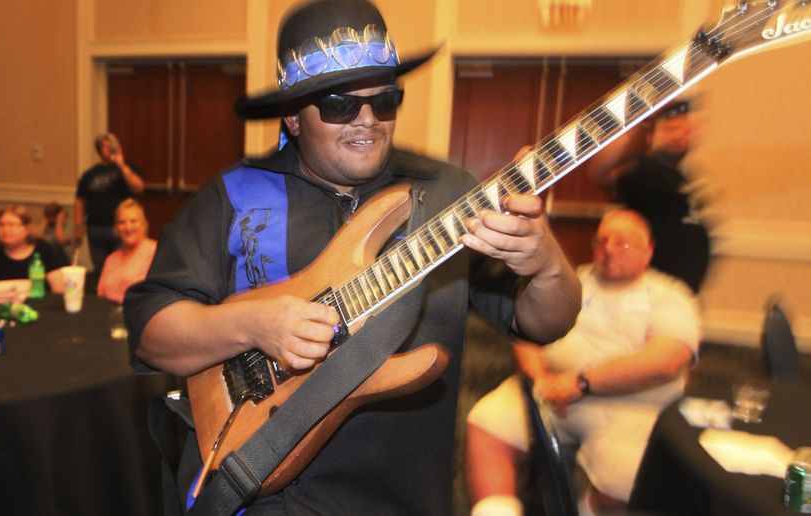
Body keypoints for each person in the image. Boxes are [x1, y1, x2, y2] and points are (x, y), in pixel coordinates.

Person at [124, 0, 582, 514]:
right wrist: (252, 324)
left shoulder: (447, 193)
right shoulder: (234, 196)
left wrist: (545, 263)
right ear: (294, 118)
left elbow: (542, 324)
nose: (368, 120)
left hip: (407, 497)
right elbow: (150, 333)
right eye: (341, 104)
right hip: (264, 492)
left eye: (385, 100)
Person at [465, 210, 699, 516]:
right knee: (486, 425)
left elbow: (667, 361)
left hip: (630, 406)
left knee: (622, 485)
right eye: (602, 241)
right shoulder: (570, 280)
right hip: (547, 390)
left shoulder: (669, 295)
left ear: (649, 249)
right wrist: (539, 380)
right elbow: (524, 329)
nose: (610, 249)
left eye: (623, 243)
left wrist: (581, 383)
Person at [588, 100, 711, 292]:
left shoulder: (682, 175)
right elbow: (598, 172)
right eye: (671, 129)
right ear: (650, 136)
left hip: (678, 290)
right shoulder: (643, 168)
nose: (680, 136)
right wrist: (632, 127)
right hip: (648, 290)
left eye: (686, 130)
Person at [74, 132, 145, 276]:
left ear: (117, 147)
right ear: (98, 149)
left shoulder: (127, 169)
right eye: (103, 146)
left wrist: (121, 165)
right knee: (102, 272)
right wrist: (78, 226)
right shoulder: (89, 174)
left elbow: (139, 188)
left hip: (122, 229)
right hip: (96, 228)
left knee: (123, 269)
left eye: (110, 145)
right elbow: (80, 201)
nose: (106, 148)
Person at [0, 204, 64, 293]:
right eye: (1, 225)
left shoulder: (43, 249)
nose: (5, 230)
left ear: (27, 229)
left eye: (11, 225)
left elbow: (59, 289)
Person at [97, 198, 157, 304]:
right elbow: (100, 295)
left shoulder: (155, 252)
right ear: (116, 228)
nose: (128, 228)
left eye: (133, 221)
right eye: (122, 222)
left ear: (144, 224)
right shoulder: (111, 259)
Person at [36, 201, 72, 266]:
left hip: (64, 260)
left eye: (53, 216)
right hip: (47, 258)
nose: (51, 219)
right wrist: (44, 223)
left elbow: (62, 240)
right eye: (48, 217)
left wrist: (59, 222)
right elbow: (36, 239)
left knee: (50, 241)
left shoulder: (69, 224)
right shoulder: (46, 225)